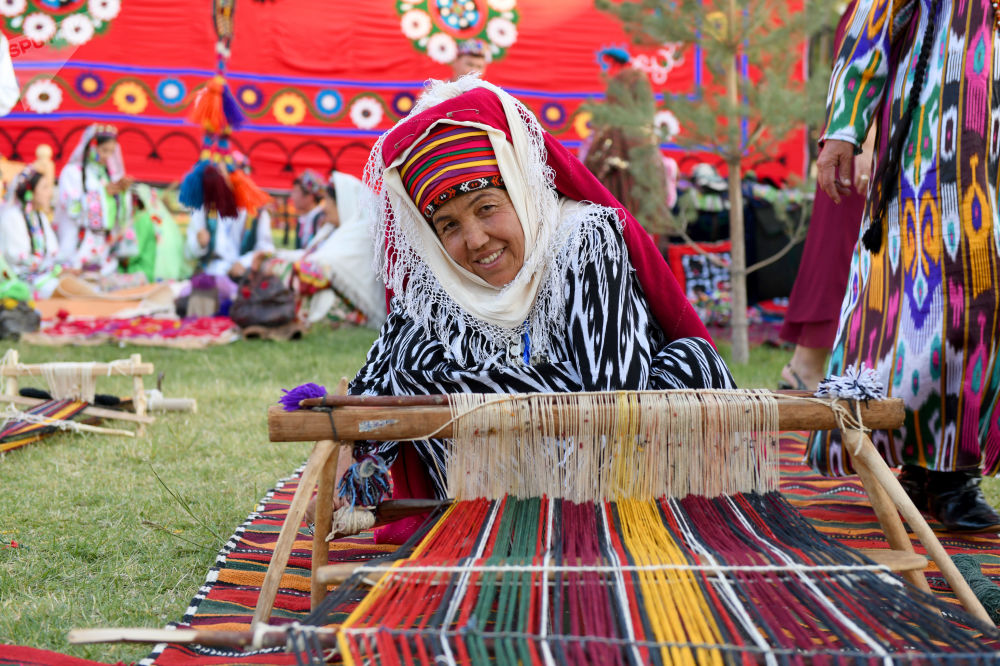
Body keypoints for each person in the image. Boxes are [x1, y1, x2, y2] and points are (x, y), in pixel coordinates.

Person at [317, 79, 733, 543]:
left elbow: (615, 403)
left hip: (616, 479)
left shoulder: (582, 238)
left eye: (487, 207)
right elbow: (372, 395)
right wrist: (353, 451)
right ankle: (494, 525)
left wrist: (452, 385)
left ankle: (561, 529)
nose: (474, 240)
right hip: (503, 495)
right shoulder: (436, 282)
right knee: (410, 352)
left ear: (523, 187)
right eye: (449, 225)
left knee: (689, 361)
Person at [813, 0, 1000, 532]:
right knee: (934, 299)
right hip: (938, 135)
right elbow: (875, 17)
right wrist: (847, 126)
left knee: (988, 303)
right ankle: (938, 468)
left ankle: (941, 467)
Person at [778, 0, 873, 392]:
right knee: (843, 247)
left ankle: (811, 365)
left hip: (884, 134)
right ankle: (807, 365)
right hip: (866, 137)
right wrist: (864, 139)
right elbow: (863, 61)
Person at [54, 124, 133, 274]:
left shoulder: (107, 175)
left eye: (111, 151)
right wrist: (103, 193)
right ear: (91, 147)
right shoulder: (72, 173)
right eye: (103, 150)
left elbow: (116, 213)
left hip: (101, 242)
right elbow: (72, 207)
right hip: (77, 240)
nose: (107, 156)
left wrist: (122, 194)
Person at [184, 155, 275, 280]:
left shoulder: (257, 213)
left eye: (222, 173)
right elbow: (189, 253)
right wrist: (200, 244)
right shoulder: (204, 208)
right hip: (209, 277)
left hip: (243, 280)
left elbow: (267, 249)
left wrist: (244, 262)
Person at [0, 166, 60, 298]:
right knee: (58, 288)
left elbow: (52, 251)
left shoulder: (39, 216)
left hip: (43, 275)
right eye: (44, 188)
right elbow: (16, 257)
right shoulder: (11, 217)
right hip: (19, 280)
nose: (49, 193)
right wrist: (46, 267)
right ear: (30, 192)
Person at [290, 170, 324, 249]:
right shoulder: (303, 219)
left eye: (296, 192)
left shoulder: (321, 220)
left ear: (310, 196)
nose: (292, 197)